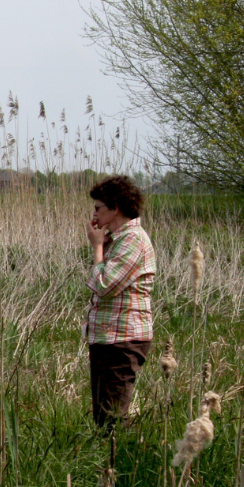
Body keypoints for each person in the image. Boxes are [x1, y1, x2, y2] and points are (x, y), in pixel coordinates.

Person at [84, 174, 155, 428]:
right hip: (109, 336)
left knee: (112, 418)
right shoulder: (118, 240)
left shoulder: (132, 240)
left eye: (98, 208)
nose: (94, 215)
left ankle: (121, 464)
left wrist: (96, 248)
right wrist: (101, 244)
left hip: (123, 338)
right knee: (104, 417)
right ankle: (109, 463)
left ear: (115, 208)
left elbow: (103, 285)